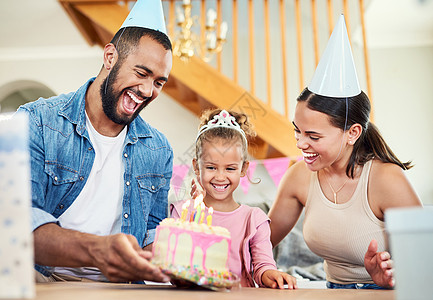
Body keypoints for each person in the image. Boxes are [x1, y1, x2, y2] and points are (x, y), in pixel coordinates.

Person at [16, 0, 173, 283]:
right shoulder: (37, 122)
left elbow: (152, 233)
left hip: (123, 287)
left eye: (159, 82)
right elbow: (18, 222)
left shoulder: (159, 149)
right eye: (141, 73)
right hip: (46, 280)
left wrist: (178, 265)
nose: (148, 90)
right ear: (110, 57)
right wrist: (97, 250)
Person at [268, 15, 422, 289]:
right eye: (297, 131)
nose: (300, 143)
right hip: (332, 292)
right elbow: (261, 242)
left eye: (313, 136)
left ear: (352, 133)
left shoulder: (386, 180)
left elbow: (425, 268)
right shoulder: (298, 177)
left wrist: (388, 280)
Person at [172, 109, 297, 289]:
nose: (220, 177)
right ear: (196, 167)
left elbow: (263, 266)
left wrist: (272, 275)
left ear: (244, 168)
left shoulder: (254, 219)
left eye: (230, 169)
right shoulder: (181, 212)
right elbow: (175, 268)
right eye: (211, 167)